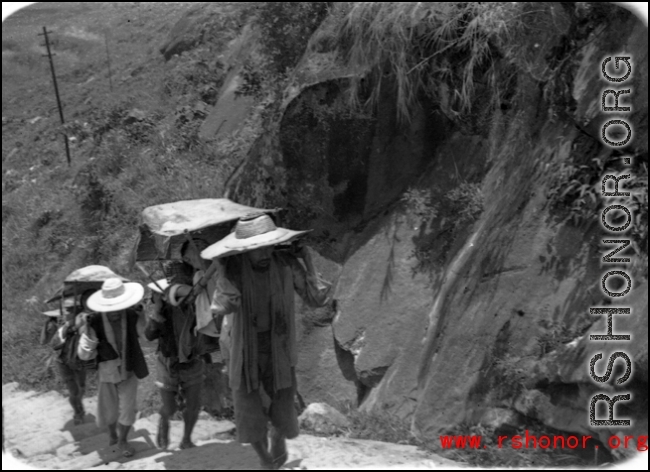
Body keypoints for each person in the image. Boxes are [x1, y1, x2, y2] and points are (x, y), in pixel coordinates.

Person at [204, 212, 332, 469]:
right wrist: (221, 271)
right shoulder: (235, 271)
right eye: (256, 248)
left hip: (279, 348)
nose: (264, 253)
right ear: (244, 250)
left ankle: (278, 435)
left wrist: (307, 260)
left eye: (268, 246)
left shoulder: (285, 264)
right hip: (243, 350)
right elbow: (224, 306)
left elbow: (316, 299)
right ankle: (265, 460)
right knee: (248, 408)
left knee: (283, 402)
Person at [77, 278, 148, 458]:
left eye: (119, 307)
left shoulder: (132, 315)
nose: (115, 312)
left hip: (129, 368)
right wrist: (87, 331)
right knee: (109, 408)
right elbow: (85, 355)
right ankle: (113, 435)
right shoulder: (94, 321)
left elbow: (146, 337)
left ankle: (123, 440)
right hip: (107, 370)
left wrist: (142, 317)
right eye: (111, 308)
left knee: (128, 408)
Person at [144, 269, 206, 451]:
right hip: (168, 362)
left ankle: (186, 439)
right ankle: (164, 425)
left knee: (193, 405)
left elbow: (209, 335)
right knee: (169, 408)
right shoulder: (162, 312)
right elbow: (148, 335)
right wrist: (157, 311)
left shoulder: (197, 308)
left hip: (192, 361)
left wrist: (215, 359)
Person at [40, 293, 93, 425]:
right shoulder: (57, 323)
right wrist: (46, 324)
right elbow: (43, 341)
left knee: (81, 388)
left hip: (79, 360)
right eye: (67, 309)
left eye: (70, 309)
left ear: (78, 309)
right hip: (62, 361)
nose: (67, 312)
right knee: (74, 390)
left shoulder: (84, 320)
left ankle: (78, 407)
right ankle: (77, 412)